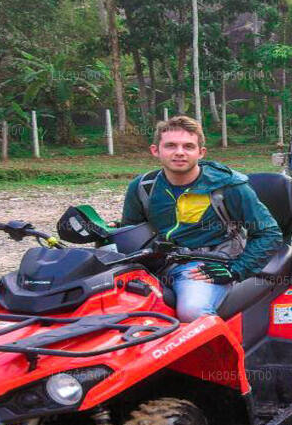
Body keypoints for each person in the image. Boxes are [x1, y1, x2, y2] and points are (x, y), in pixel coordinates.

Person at [121, 116, 283, 322]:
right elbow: (130, 231)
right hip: (158, 263)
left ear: (201, 152)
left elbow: (269, 233)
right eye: (171, 145)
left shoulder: (228, 186)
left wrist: (236, 270)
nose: (179, 152)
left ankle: (223, 353)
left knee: (192, 312)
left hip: (205, 265)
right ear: (156, 150)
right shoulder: (143, 187)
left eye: (188, 146)